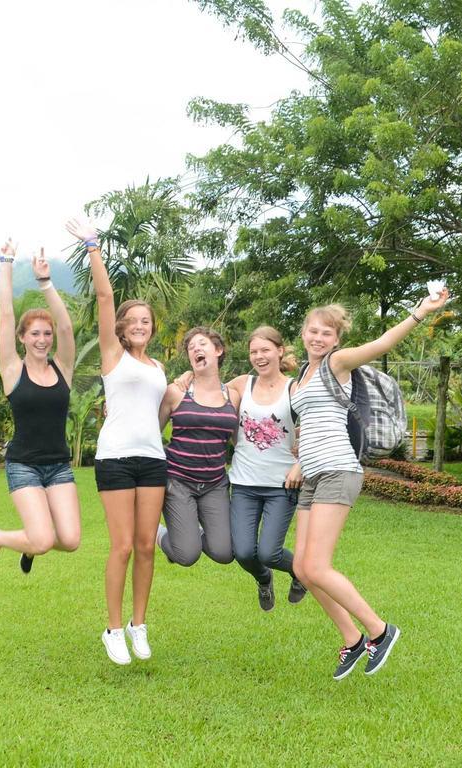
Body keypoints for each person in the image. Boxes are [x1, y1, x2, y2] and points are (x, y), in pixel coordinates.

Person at [291, 291, 448, 680]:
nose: (318, 338)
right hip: (311, 474)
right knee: (301, 568)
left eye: (326, 333)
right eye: (313, 331)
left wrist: (419, 312)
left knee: (317, 565)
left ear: (336, 339)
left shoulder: (337, 364)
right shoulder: (300, 375)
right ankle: (353, 638)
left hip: (338, 470)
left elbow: (381, 344)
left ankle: (380, 630)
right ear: (303, 333)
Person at [66, 215, 166, 666]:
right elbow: (105, 296)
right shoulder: (113, 356)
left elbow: (170, 406)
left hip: (153, 460)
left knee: (147, 546)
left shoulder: (159, 369)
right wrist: (93, 246)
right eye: (133, 320)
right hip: (115, 459)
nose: (140, 325)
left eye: (147, 320)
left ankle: (138, 624)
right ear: (122, 328)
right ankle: (112, 628)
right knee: (122, 545)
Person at [0, 240, 80, 575]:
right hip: (23, 464)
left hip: (59, 466)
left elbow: (67, 327)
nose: (43, 339)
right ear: (23, 338)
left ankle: (33, 541)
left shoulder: (62, 368)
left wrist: (46, 283)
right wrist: (6, 261)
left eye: (46, 334)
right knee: (41, 540)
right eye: (35, 333)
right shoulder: (12, 370)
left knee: (70, 541)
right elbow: (6, 315)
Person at [226, 326, 306, 612]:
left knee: (270, 552)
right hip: (244, 484)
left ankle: (301, 573)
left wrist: (301, 463)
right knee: (245, 552)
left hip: (281, 485)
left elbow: (315, 428)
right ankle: (264, 579)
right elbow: (206, 389)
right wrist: (185, 376)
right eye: (253, 352)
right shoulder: (241, 384)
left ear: (280, 351)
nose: (259, 357)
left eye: (265, 350)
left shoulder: (294, 388)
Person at [157, 327, 240, 568]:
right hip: (178, 482)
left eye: (202, 343)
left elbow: (241, 441)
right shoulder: (176, 392)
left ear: (218, 350)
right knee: (187, 555)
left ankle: (191, 532)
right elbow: (151, 431)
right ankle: (158, 533)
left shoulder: (233, 395)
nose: (196, 349)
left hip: (214, 484)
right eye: (191, 347)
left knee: (225, 553)